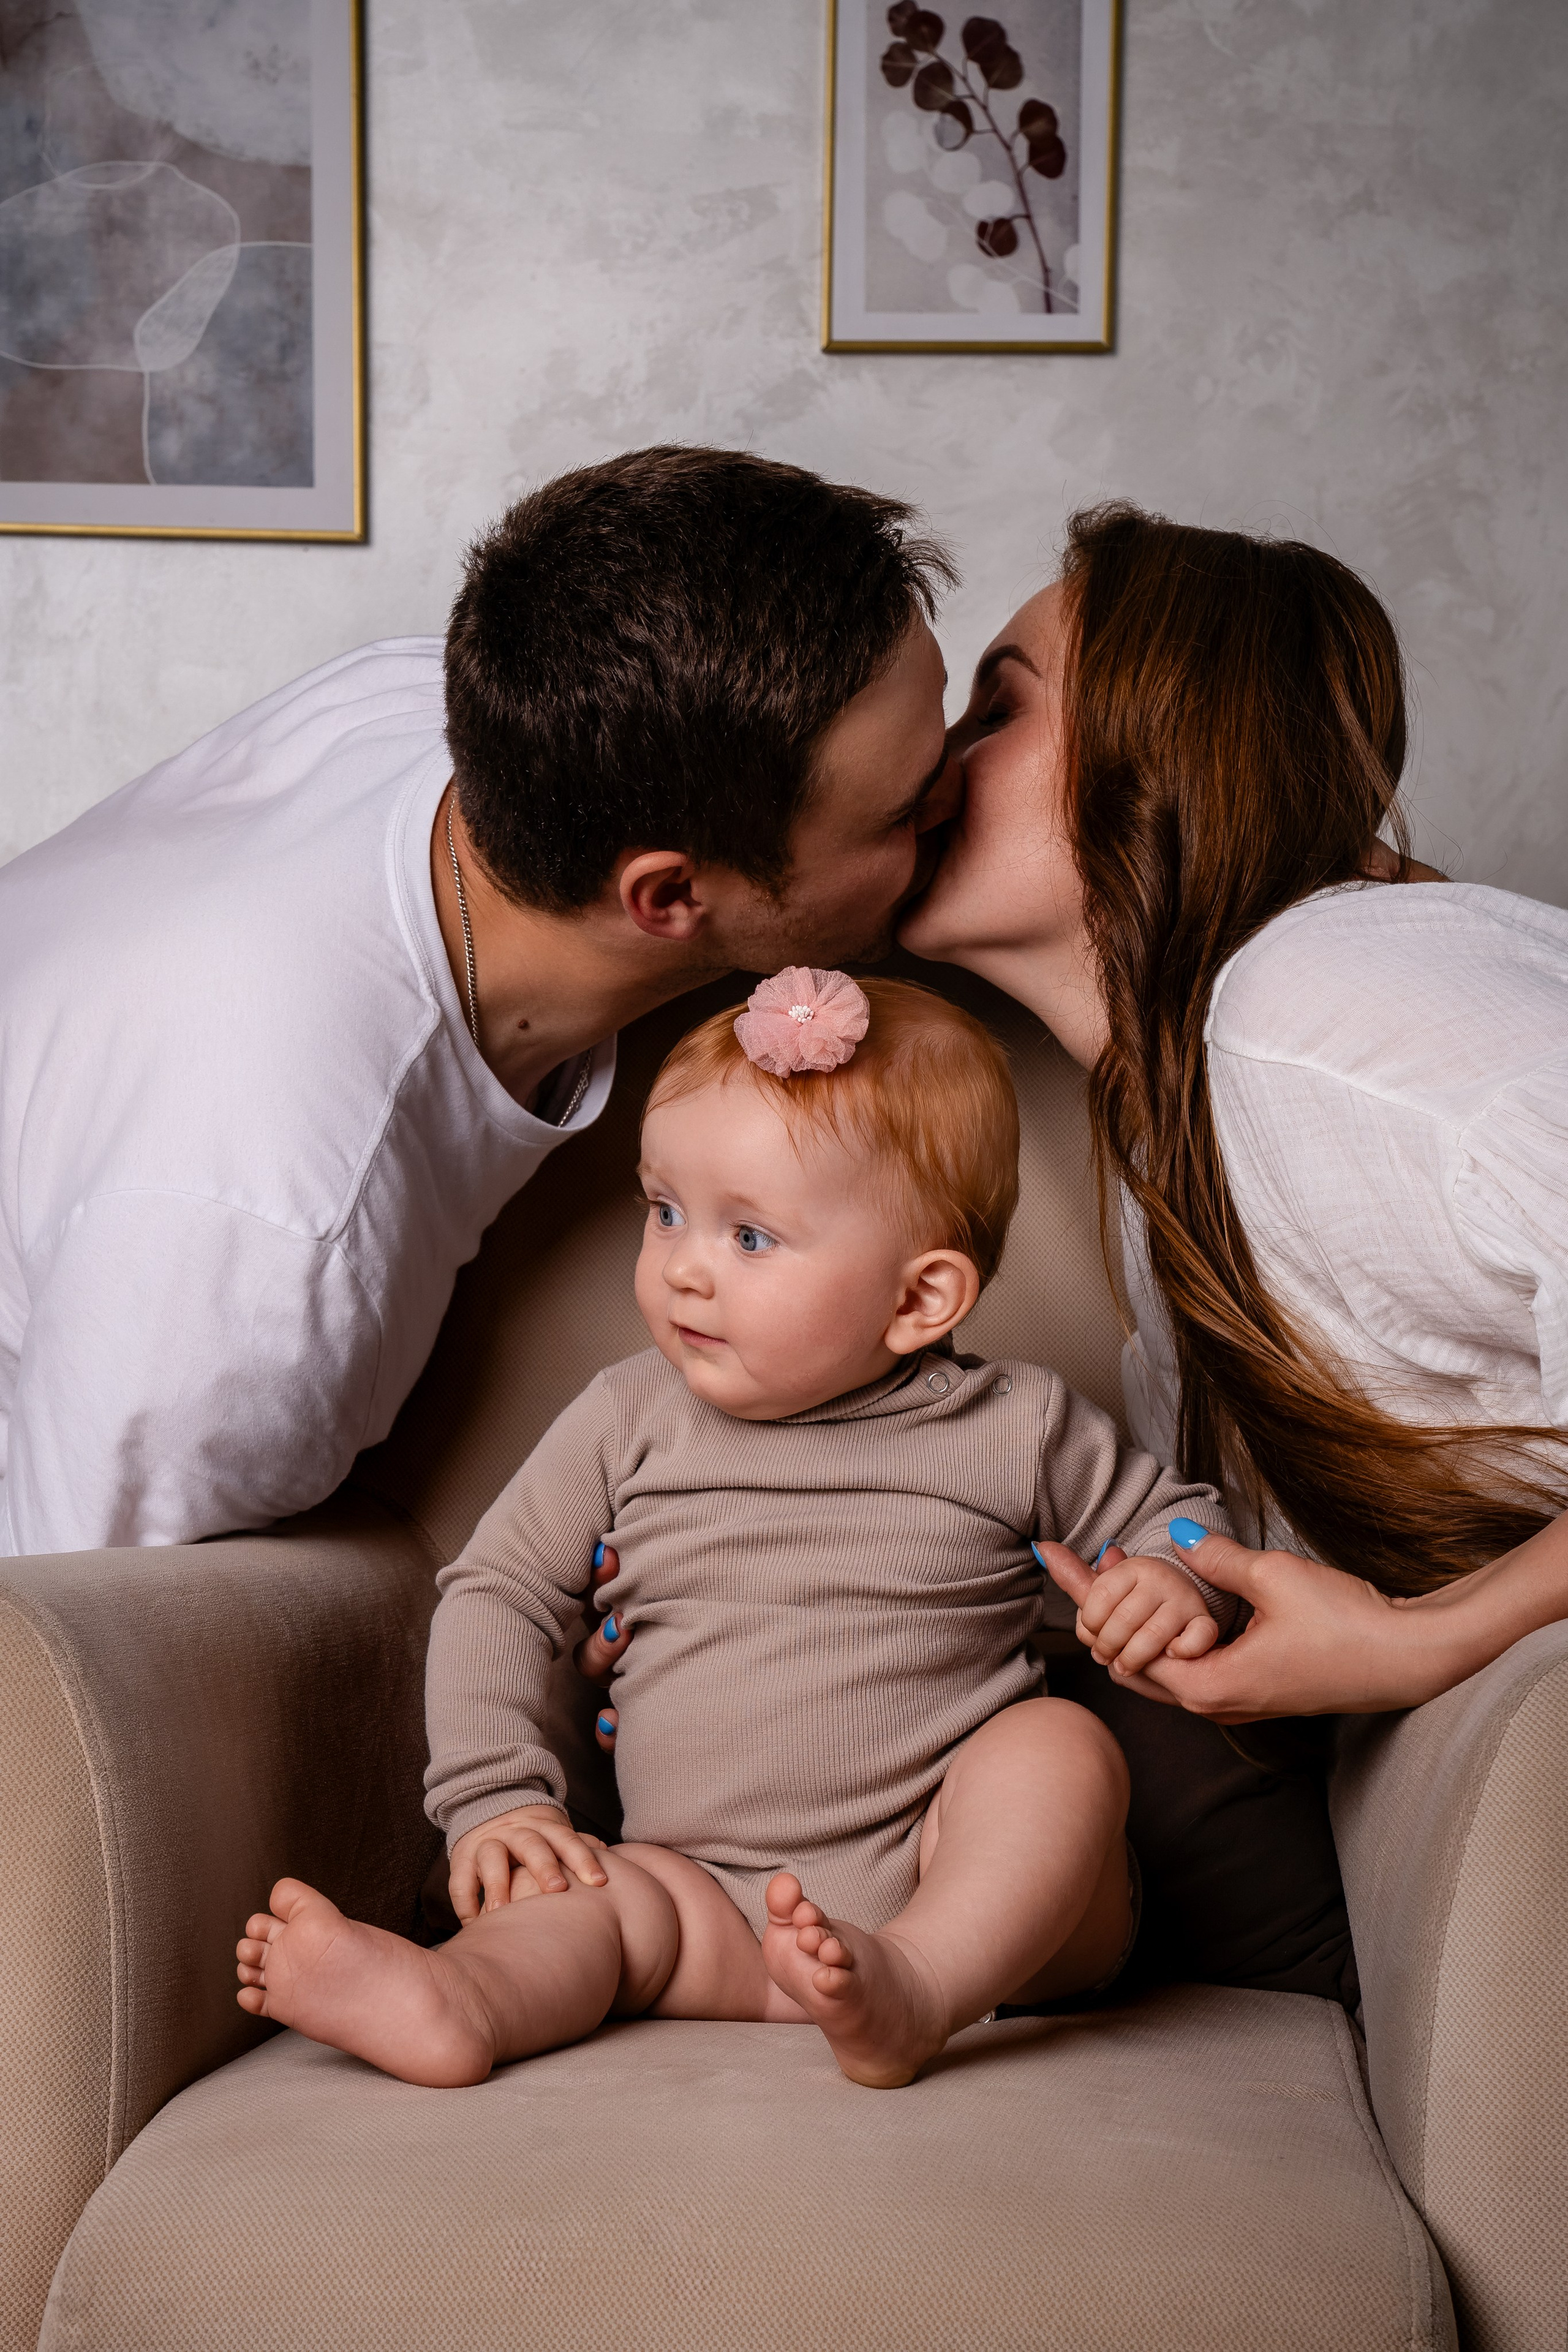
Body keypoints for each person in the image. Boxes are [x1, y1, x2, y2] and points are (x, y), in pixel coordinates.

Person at [234, 973, 1232, 2089]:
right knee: (591, 1899)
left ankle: (917, 1987)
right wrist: (497, 1799)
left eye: (749, 1235)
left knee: (1059, 1753)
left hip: (963, 1889)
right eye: (664, 1210)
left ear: (920, 1300)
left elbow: (1188, 1525)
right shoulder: (627, 1416)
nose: (683, 1268)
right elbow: (498, 1590)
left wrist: (1171, 1578)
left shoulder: (1016, 1425)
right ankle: (461, 2002)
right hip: (702, 1893)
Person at [0, 447, 962, 1558]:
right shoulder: (263, 1233)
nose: (958, 792)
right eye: (905, 812)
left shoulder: (452, 705)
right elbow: (57, 1659)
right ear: (669, 895)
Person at [899, 500, 1568, 1722]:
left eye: (998, 710)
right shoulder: (1174, 1111)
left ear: (1167, 758)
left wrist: (1426, 1645)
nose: (927, 763)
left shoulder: (1309, 1003)